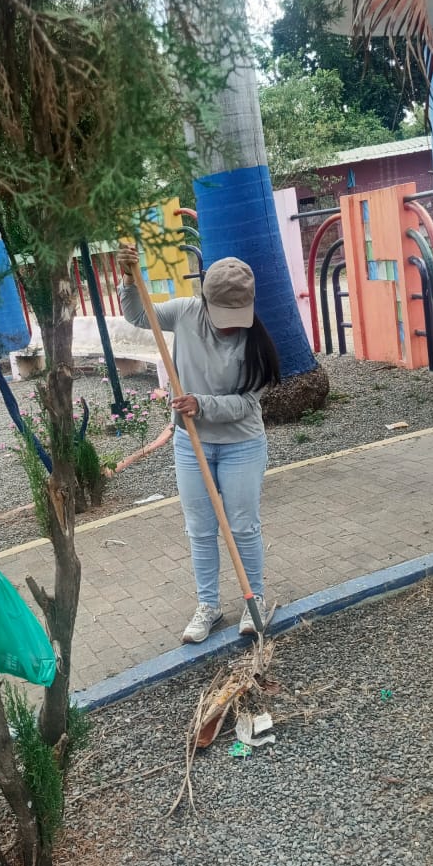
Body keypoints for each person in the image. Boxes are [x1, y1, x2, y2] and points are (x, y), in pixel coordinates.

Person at [117, 243, 280, 644]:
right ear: (206, 301)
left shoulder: (255, 341)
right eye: (223, 314)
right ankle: (208, 604)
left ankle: (254, 599)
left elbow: (248, 404)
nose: (230, 325)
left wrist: (201, 404)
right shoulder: (185, 313)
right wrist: (129, 281)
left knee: (242, 525)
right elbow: (139, 315)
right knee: (200, 529)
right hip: (192, 444)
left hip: (242, 443)